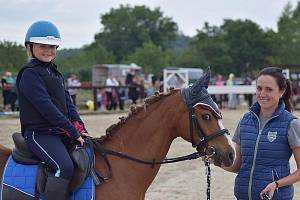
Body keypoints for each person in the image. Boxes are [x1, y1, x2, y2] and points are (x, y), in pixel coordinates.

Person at [16, 20, 88, 200]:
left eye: (52, 46)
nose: (48, 50)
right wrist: (72, 131)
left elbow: (68, 105)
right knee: (64, 166)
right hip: (39, 134)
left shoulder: (55, 73)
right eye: (43, 46)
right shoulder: (29, 73)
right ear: (30, 47)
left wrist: (80, 128)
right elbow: (47, 108)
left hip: (58, 132)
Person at [224, 67, 300, 200]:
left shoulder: (291, 124)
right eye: (259, 88)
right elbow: (237, 165)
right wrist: (213, 160)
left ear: (281, 91)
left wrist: (276, 184)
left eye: (269, 89)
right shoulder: (244, 120)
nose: (262, 94)